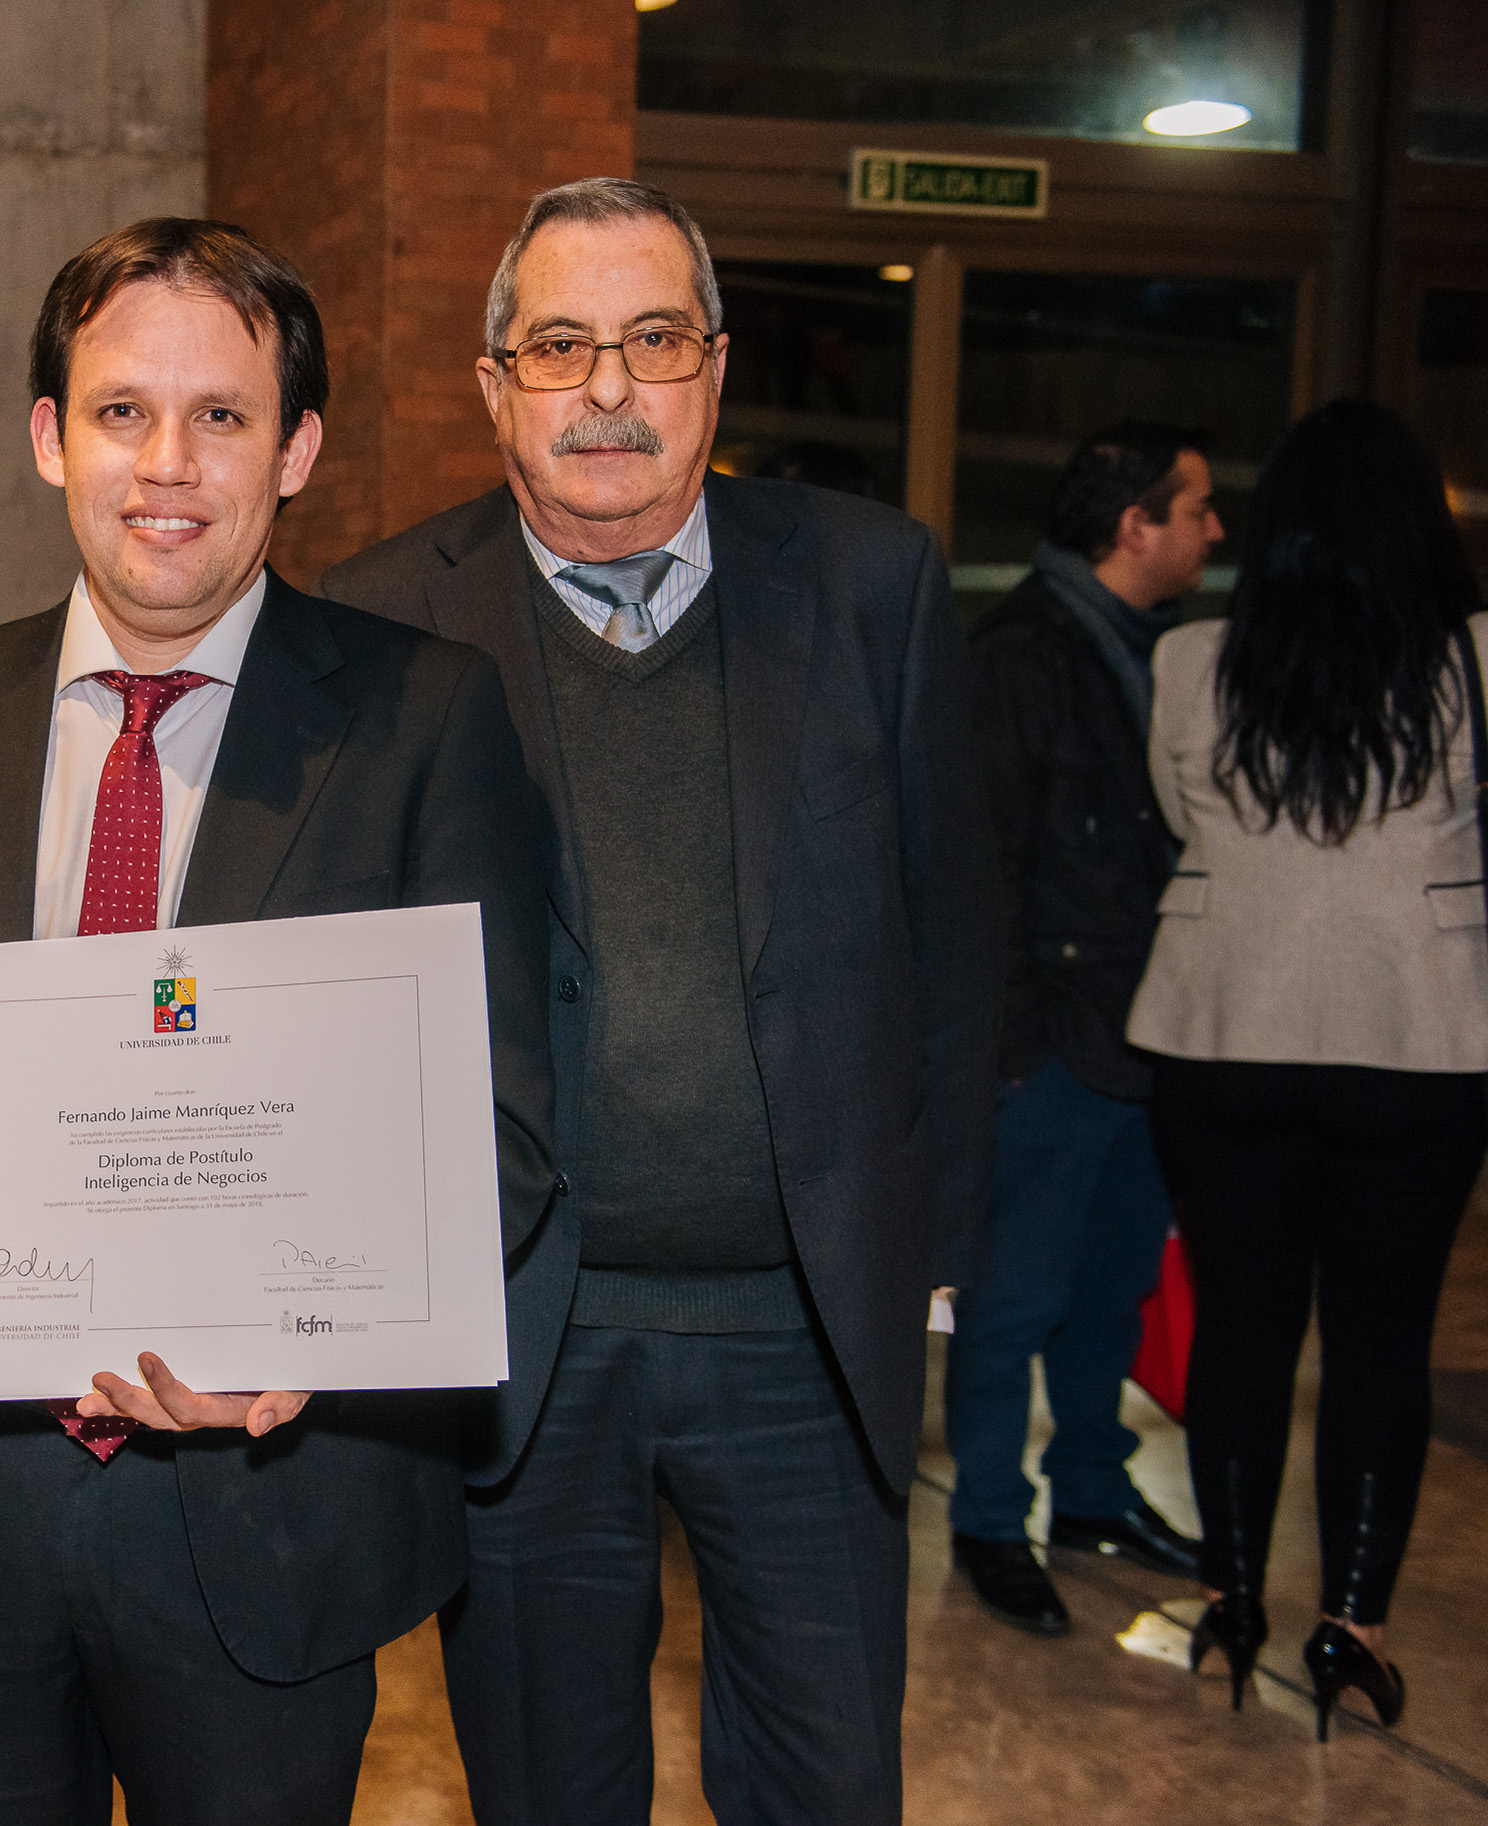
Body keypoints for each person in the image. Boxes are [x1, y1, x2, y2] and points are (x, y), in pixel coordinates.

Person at [0, 217, 556, 1825]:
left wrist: (312, 1328)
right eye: (123, 411)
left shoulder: (426, 717)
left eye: (222, 415)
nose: (168, 463)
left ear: (297, 451)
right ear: (50, 436)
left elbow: (499, 1125)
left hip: (263, 1513)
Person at [323, 177, 999, 1824]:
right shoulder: (378, 620)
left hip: (806, 1336)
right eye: (561, 347)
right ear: (495, 386)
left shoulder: (872, 584)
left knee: (825, 1782)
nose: (610, 388)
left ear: (717, 367)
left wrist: (932, 1261)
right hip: (525, 1343)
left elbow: (959, 939)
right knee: (548, 1784)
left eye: (654, 339)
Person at [1127, 398, 1488, 1740]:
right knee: (1383, 1341)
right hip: (1423, 1037)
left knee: (1243, 1328)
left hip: (1227, 1027)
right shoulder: (1473, 660)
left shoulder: (1191, 660)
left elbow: (1182, 814)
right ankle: (1351, 1626)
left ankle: (1231, 1599)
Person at [944, 424, 1221, 1636]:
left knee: (1112, 1292)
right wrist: (1016, 1048)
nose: (1214, 532)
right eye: (1195, 508)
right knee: (1011, 1303)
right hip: (1054, 1045)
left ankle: (1095, 1492)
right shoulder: (1024, 655)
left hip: (1141, 1033)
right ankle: (990, 1520)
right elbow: (979, 869)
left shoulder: (1163, 650)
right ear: (1133, 524)